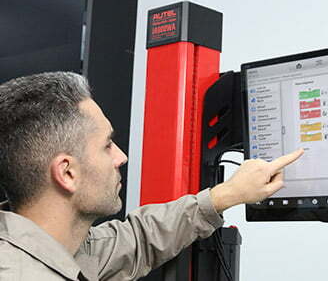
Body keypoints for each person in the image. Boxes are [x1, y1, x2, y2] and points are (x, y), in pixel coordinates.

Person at [0, 72, 303, 280]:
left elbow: (139, 239)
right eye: (107, 145)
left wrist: (227, 195)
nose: (121, 157)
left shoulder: (54, 247)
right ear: (67, 172)